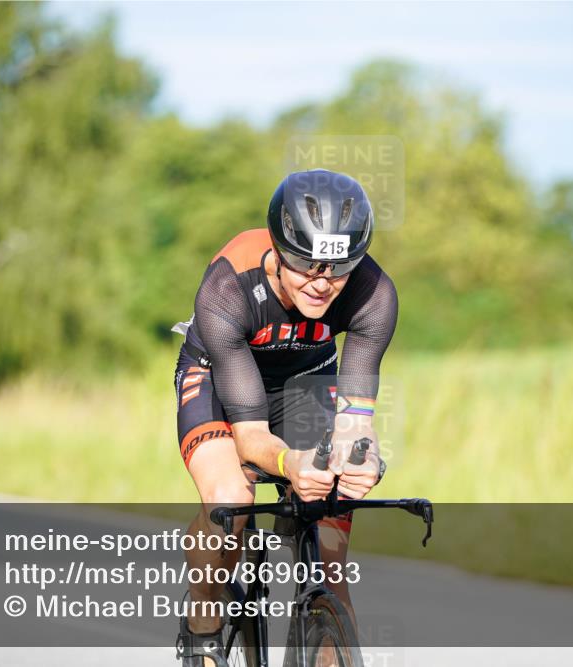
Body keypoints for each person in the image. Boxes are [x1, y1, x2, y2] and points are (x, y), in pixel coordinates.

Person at [173, 169, 398, 666]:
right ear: (277, 250)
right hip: (220, 377)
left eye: (338, 269)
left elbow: (356, 419)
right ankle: (204, 629)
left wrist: (361, 455)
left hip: (304, 380)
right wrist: (291, 463)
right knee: (230, 499)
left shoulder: (372, 293)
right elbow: (251, 435)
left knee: (330, 547)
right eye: (307, 266)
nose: (322, 284)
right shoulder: (229, 287)